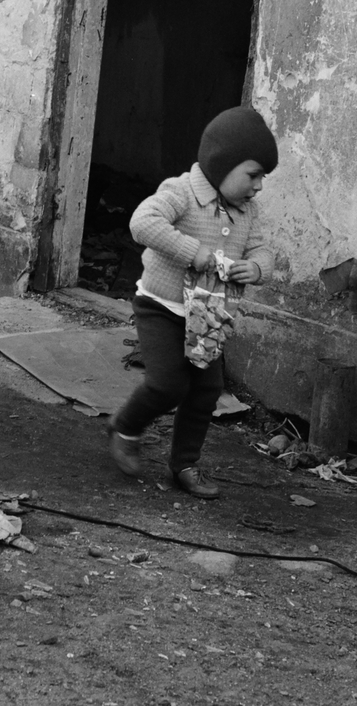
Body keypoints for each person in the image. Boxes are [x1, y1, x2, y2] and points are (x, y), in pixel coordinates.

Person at [108, 106, 277, 499]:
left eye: (263, 178)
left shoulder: (248, 212)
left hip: (209, 316)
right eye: (253, 175)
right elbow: (142, 223)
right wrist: (193, 252)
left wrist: (256, 267)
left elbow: (263, 249)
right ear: (223, 163)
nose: (258, 187)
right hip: (161, 306)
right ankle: (125, 427)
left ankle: (185, 464)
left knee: (205, 391)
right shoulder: (181, 191)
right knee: (167, 384)